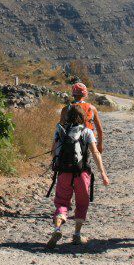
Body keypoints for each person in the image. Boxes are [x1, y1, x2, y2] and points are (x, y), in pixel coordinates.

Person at [47, 104, 110, 249]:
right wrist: (103, 173)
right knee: (82, 203)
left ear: (67, 117)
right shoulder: (87, 132)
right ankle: (76, 235)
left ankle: (57, 229)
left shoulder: (60, 130)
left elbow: (53, 152)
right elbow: (95, 153)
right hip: (82, 173)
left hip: (64, 173)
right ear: (83, 117)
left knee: (62, 202)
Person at [59, 82, 104, 154]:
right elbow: (100, 130)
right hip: (87, 137)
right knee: (95, 153)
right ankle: (100, 165)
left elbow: (61, 127)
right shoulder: (92, 108)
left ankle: (54, 160)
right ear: (85, 95)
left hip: (71, 136)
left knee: (57, 144)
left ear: (73, 94)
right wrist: (100, 144)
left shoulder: (66, 109)